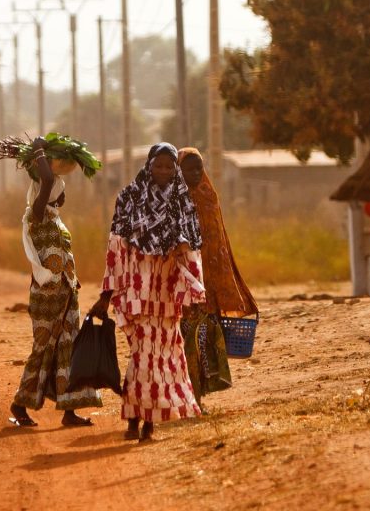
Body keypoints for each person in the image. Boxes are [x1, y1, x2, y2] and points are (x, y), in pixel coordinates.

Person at [89, 143, 204, 442]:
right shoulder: (129, 197)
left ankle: (143, 422)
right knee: (143, 357)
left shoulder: (182, 201)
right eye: (159, 165)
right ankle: (137, 420)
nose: (164, 171)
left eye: (169, 166)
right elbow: (116, 248)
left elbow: (191, 250)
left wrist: (192, 291)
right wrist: (107, 294)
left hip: (166, 295)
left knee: (161, 359)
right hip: (135, 291)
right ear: (149, 165)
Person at [9, 136, 102, 428]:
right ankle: (19, 405)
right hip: (46, 296)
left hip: (66, 293)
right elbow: (47, 179)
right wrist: (38, 151)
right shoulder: (36, 215)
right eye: (60, 192)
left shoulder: (55, 219)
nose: (63, 196)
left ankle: (69, 411)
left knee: (69, 348)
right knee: (43, 348)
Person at [178, 148, 258, 406]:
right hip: (183, 281)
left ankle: (198, 397)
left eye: (199, 168)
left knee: (202, 340)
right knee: (185, 342)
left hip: (208, 283)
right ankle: (187, 399)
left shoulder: (209, 196)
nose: (195, 173)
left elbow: (220, 241)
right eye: (189, 169)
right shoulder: (174, 201)